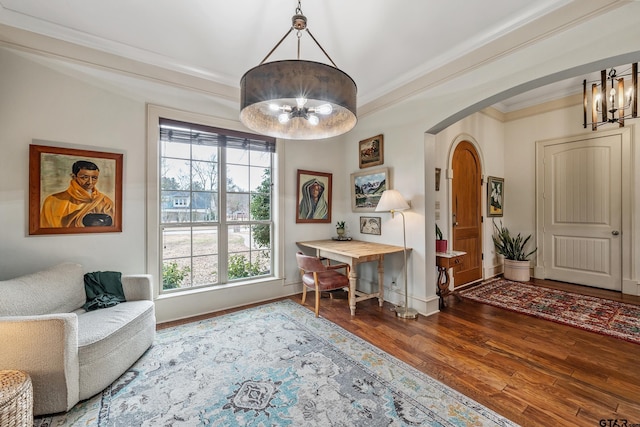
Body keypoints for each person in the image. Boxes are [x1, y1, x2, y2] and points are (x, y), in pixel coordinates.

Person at [40, 160, 115, 228]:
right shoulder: (52, 201)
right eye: (85, 177)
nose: (90, 182)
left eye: (94, 178)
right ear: (73, 176)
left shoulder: (105, 202)